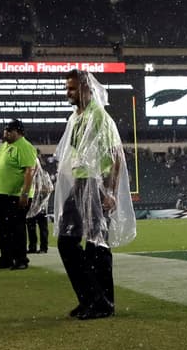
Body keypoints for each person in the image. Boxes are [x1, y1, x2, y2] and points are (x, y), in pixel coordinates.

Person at [54, 69, 136, 320]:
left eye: (72, 88)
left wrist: (109, 191)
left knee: (95, 244)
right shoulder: (76, 117)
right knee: (70, 241)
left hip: (94, 184)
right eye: (67, 88)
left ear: (87, 89)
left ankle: (101, 303)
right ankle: (92, 298)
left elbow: (115, 156)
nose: (68, 93)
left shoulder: (98, 115)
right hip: (80, 184)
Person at [0, 119, 38, 271]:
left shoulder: (24, 146)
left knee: (16, 228)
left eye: (9, 130)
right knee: (2, 229)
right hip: (0, 194)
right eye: (5, 130)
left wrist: (25, 193)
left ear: (19, 132)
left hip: (15, 195)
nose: (6, 133)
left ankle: (21, 259)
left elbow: (29, 171)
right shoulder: (3, 146)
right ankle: (6, 258)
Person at [25, 156, 53, 255]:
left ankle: (43, 248)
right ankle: (32, 247)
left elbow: (49, 188)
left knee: (43, 228)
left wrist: (38, 191)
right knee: (30, 227)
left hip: (42, 205)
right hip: (30, 204)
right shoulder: (28, 175)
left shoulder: (44, 175)